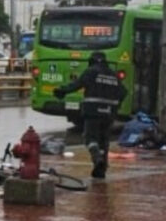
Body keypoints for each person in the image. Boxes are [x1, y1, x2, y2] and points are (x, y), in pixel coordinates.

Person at [55, 51, 129, 180]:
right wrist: (116, 105)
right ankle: (102, 168)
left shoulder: (91, 71)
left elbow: (76, 85)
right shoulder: (113, 75)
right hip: (109, 113)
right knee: (104, 140)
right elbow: (123, 92)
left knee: (90, 138)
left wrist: (61, 91)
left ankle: (96, 157)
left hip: (93, 111)